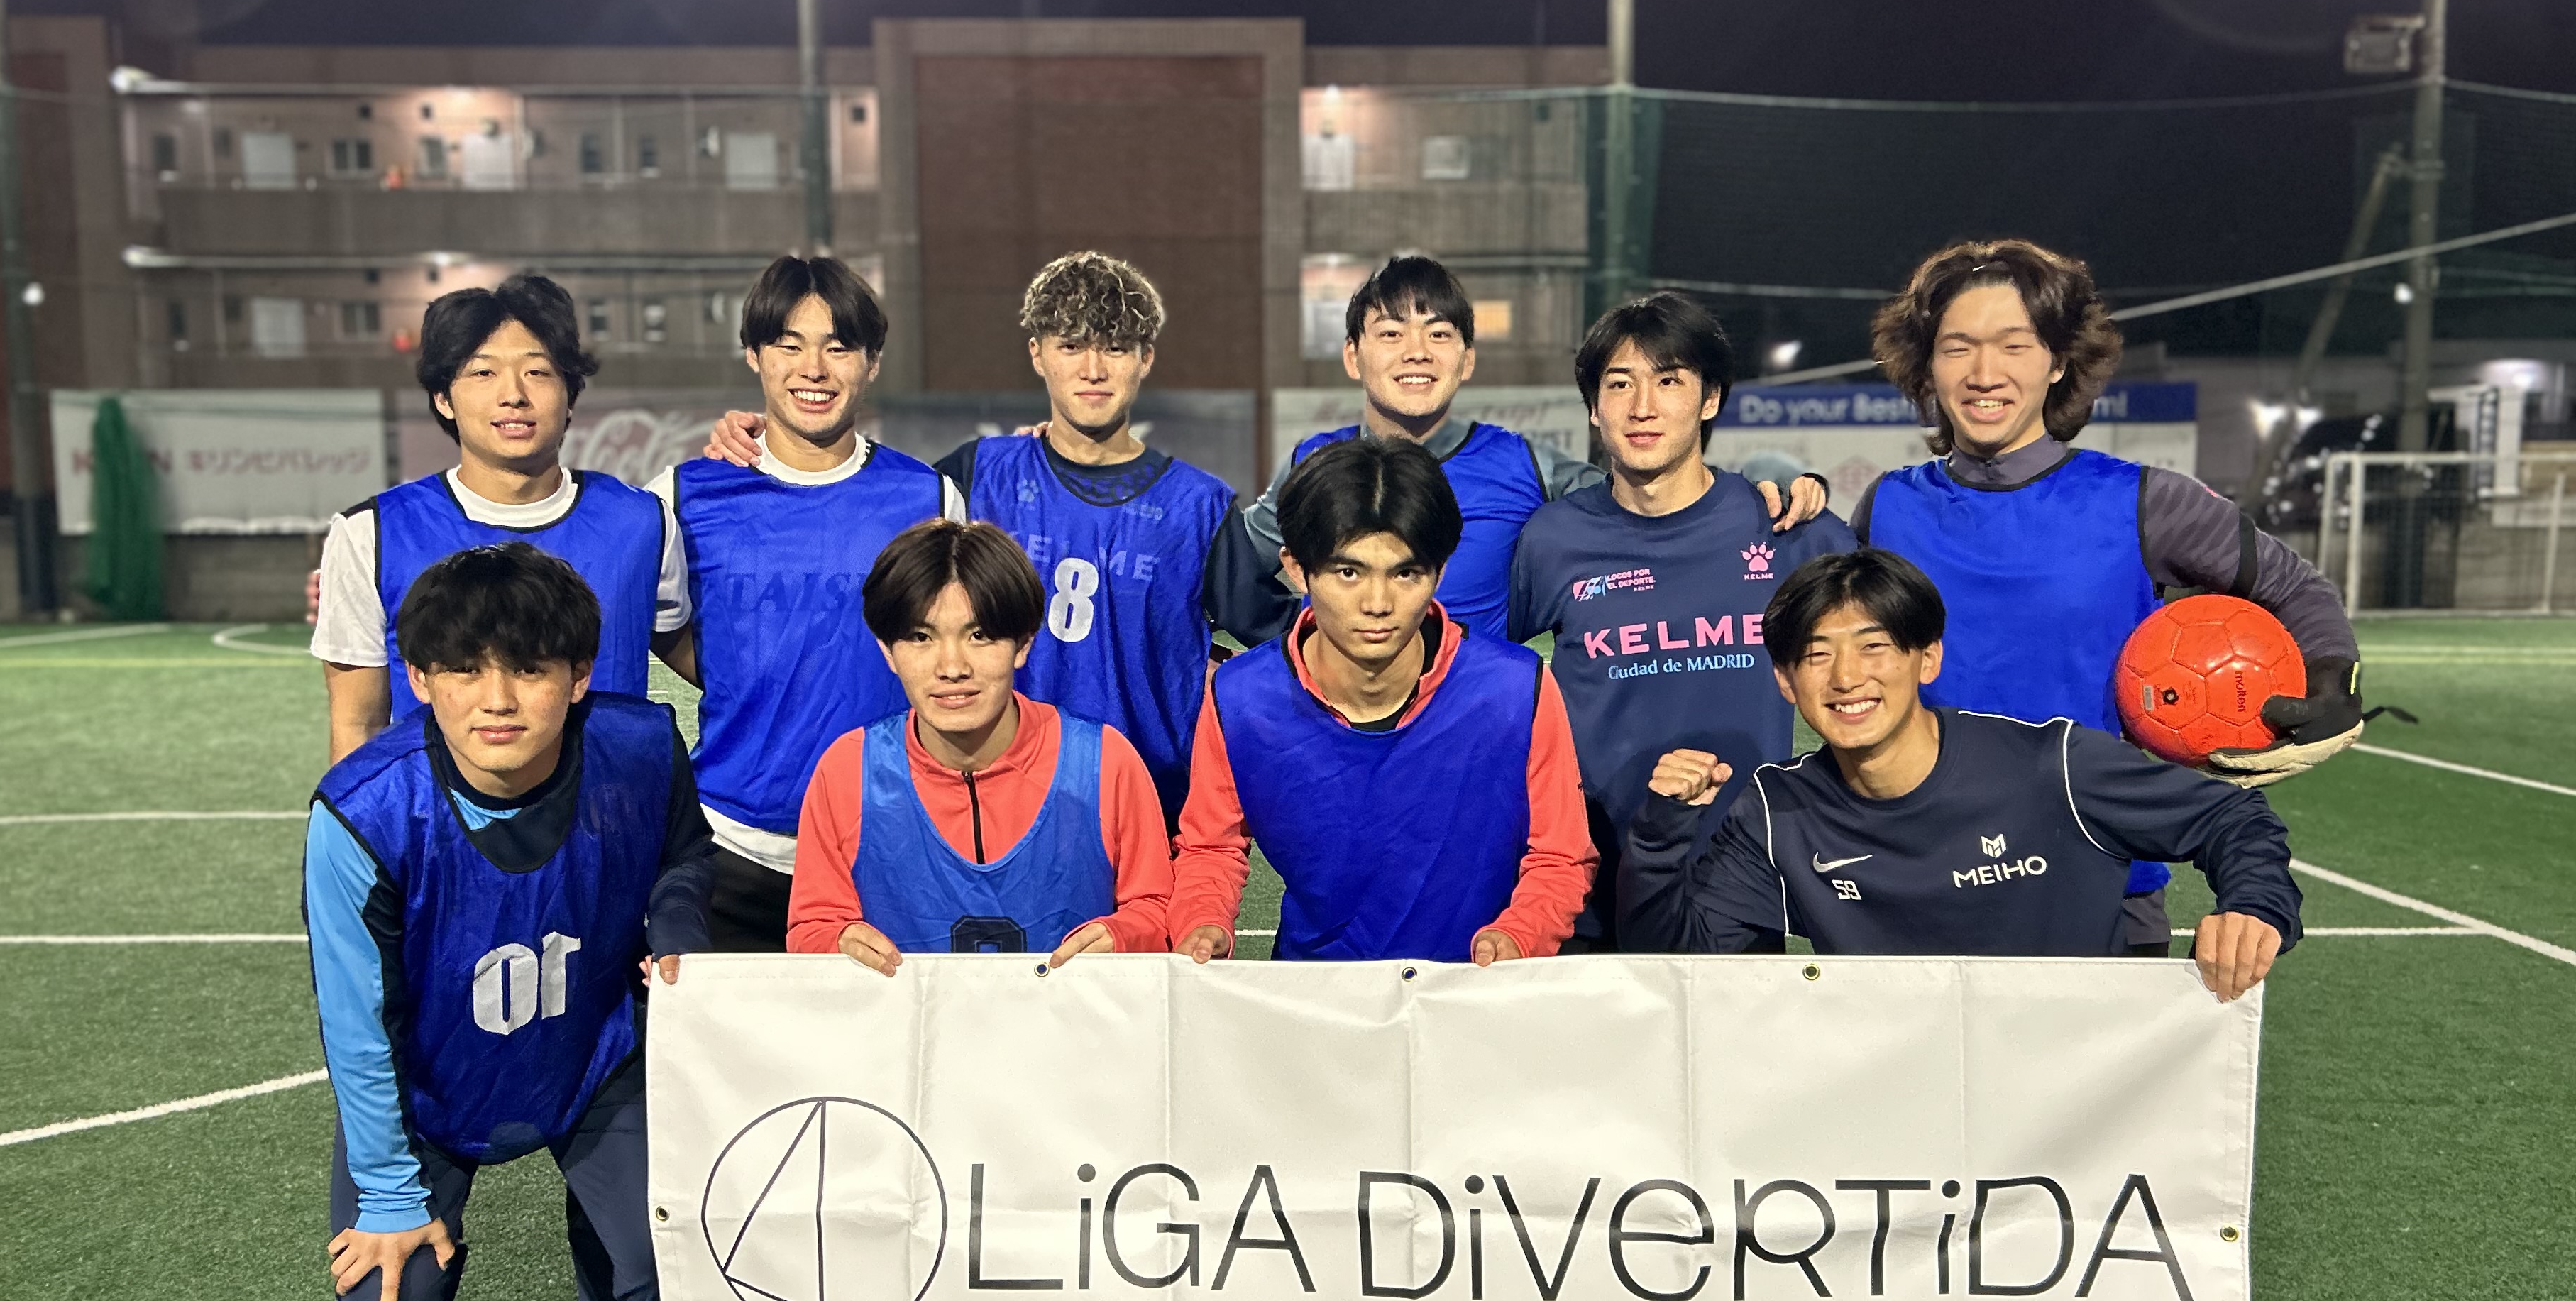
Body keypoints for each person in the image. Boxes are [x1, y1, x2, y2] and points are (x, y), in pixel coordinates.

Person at [1617, 546, 2301, 1301]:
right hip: (1884, 1148)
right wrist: (1665, 835)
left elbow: (2231, 818)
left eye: (1874, 645)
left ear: (1926, 656)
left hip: (2076, 1149)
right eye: (1815, 654)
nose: (1846, 674)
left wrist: (2253, 900)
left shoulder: (2049, 766)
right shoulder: (1774, 808)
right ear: (1784, 680)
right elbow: (1699, 972)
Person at [307, 544, 802, 1301]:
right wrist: (390, 1196)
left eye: (529, 668)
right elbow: (355, 1025)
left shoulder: (638, 744)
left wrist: (675, 928)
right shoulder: (362, 812)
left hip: (591, 1056)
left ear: (579, 676)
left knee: (678, 1259)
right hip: (429, 1093)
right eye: (463, 669)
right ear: (418, 677)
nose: (497, 697)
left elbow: (683, 855)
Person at [1171, 437, 1597, 1301]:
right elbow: (1212, 844)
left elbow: (1561, 855)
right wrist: (1200, 926)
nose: (1375, 600)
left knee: (1442, 1276)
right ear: (1298, 572)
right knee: (1299, 1274)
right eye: (1347, 571)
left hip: (1472, 1029)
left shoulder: (1515, 690)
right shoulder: (1241, 697)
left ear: (1438, 574)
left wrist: (1517, 939)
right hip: (1312, 1030)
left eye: (1403, 571)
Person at [309, 271, 686, 1301]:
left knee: (623, 1191)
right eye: (482, 372)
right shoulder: (375, 531)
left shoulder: (640, 521)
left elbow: (698, 650)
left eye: (537, 370)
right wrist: (377, 866)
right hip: (453, 886)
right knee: (412, 1242)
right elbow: (356, 725)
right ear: (441, 395)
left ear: (574, 390)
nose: (513, 393)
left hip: (599, 880)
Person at [787, 517, 1180, 1301]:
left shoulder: (1104, 762)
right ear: (888, 650)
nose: (951, 663)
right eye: (921, 637)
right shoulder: (848, 772)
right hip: (922, 1098)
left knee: (1085, 1277)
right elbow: (812, 923)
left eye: (978, 635)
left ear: (1022, 644)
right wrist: (832, 946)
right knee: (932, 1281)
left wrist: (1129, 932)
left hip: (1079, 1096)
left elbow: (1157, 907)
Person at [1852, 238, 2361, 955]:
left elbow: (2294, 588)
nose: (1984, 373)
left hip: (2100, 883)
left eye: (2015, 346)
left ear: (2059, 361)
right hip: (1922, 883)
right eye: (1957, 348)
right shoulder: (1885, 509)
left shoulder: (2144, 502)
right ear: (1927, 366)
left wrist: (2333, 677)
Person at [715, 251, 1248, 825]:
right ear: (1037, 354)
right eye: (1071, 345)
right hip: (989, 801)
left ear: (1146, 358)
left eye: (1115, 348)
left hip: (1150, 804)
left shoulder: (1200, 505)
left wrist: (1225, 683)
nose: (1093, 370)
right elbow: (865, 502)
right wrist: (767, 441)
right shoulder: (976, 475)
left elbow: (1281, 642)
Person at [1220, 254, 1829, 649]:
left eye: (1439, 334)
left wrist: (1771, 476)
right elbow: (1230, 567)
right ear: (1354, 356)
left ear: (1467, 360)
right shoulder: (1314, 462)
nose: (1416, 352)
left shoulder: (1528, 468)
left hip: (1476, 732)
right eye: (1391, 333)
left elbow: (1652, 499)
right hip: (1342, 724)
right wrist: (1292, 640)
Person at [1509, 292, 1858, 949]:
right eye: (1620, 384)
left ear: (1710, 399)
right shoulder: (1552, 539)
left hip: (1740, 883)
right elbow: (1482, 675)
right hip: (1593, 886)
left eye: (1669, 381)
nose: (1643, 407)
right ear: (1594, 407)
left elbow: (1882, 660)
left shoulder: (1785, 527)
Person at [649, 254, 963, 950]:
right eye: (789, 346)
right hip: (727, 844)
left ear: (872, 362)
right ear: (755, 355)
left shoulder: (929, 498)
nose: (813, 369)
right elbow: (660, 628)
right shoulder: (684, 494)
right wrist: (743, 673)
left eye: (838, 347)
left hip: (890, 845)